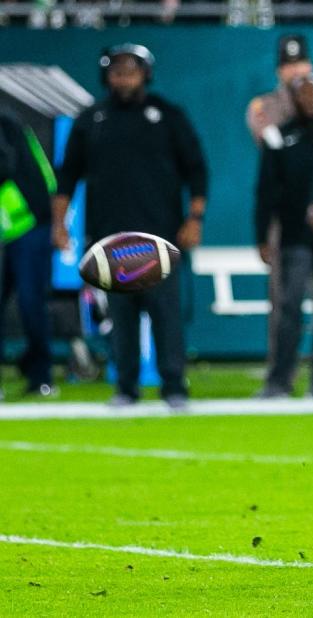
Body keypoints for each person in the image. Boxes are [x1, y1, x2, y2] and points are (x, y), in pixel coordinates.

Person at [53, 44, 208, 409]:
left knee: (165, 315)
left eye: (131, 70)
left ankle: (174, 386)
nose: (124, 78)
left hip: (160, 237)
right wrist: (59, 224)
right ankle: (125, 386)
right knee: (120, 318)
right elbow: (67, 176)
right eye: (117, 71)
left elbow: (196, 170)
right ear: (107, 77)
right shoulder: (91, 119)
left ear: (146, 74)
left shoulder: (168, 116)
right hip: (110, 240)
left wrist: (195, 218)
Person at [255, 74, 313, 399]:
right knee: (289, 308)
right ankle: (279, 380)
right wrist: (262, 234)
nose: (308, 99)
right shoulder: (278, 136)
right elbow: (265, 191)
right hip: (293, 237)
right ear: (291, 100)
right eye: (301, 94)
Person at [0, 111, 56, 397]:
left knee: (30, 301)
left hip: (29, 223)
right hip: (12, 226)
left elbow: (4, 166)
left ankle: (41, 375)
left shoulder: (6, 123)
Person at [245, 34, 313, 149]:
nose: (295, 70)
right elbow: (271, 144)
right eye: (288, 64)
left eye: (300, 62)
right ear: (279, 71)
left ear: (310, 66)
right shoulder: (263, 105)